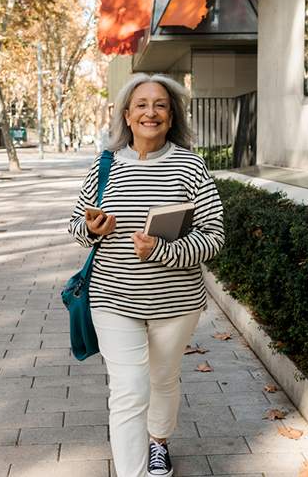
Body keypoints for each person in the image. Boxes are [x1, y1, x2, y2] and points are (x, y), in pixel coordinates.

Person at [68, 73, 224, 477]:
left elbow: (214, 237)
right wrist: (91, 228)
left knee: (163, 380)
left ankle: (159, 442)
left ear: (171, 117)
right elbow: (75, 226)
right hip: (112, 299)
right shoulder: (103, 166)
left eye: (160, 105)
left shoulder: (191, 167)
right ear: (127, 115)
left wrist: (163, 250)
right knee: (128, 391)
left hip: (175, 304)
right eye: (141, 105)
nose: (150, 112)